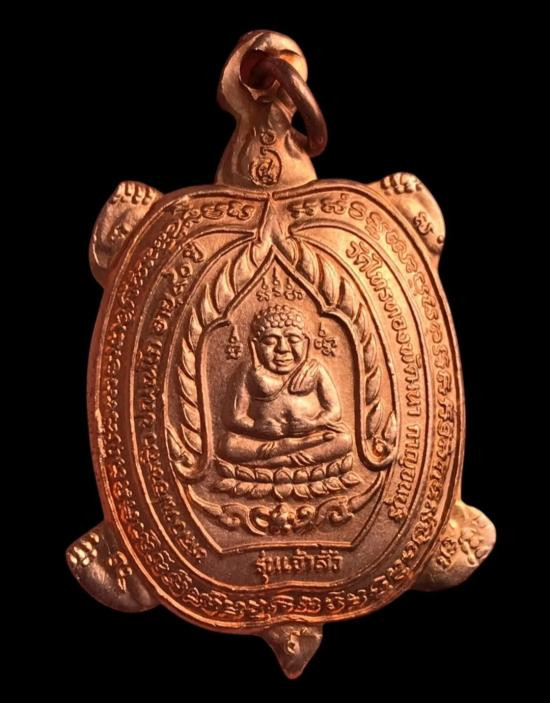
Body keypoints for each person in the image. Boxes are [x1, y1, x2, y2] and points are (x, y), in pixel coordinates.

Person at [218, 304, 351, 468]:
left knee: (344, 439)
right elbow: (232, 418)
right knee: (228, 445)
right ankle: (285, 453)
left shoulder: (314, 370)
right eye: (270, 341)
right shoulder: (248, 372)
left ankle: (278, 460)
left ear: (306, 342)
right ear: (255, 345)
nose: (282, 348)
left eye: (293, 340)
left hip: (308, 438)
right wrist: (255, 427)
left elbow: (335, 411)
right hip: (265, 443)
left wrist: (314, 424)